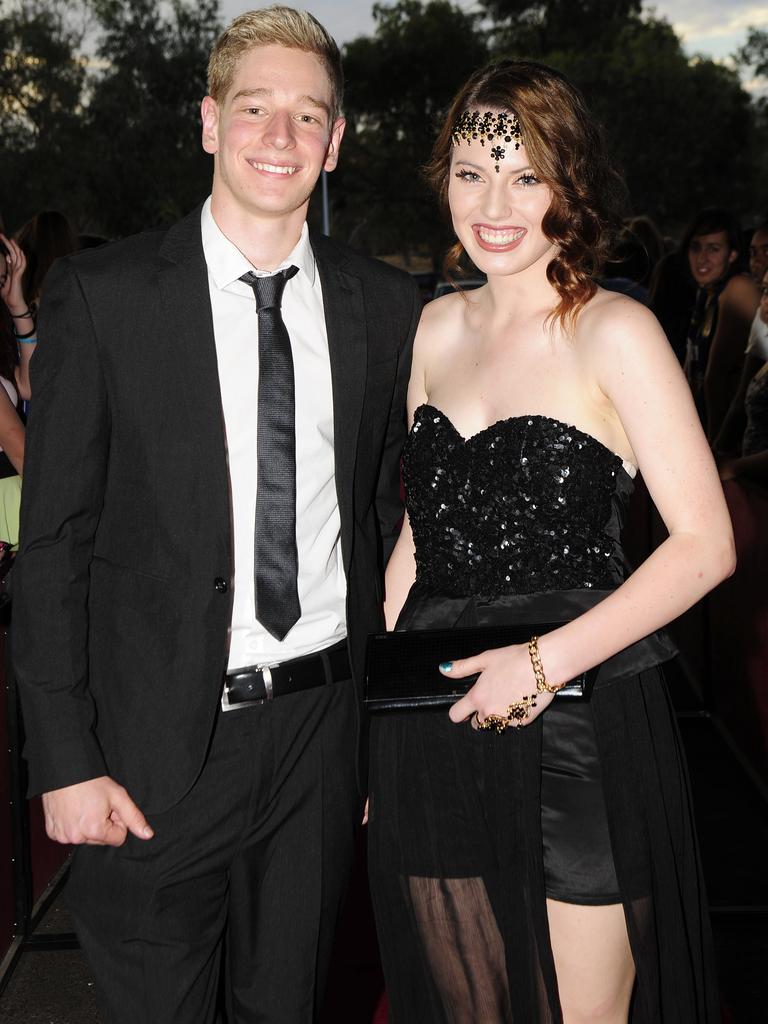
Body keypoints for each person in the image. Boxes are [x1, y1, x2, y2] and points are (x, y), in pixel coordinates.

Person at [12, 7, 420, 1023]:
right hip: (152, 748)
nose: (278, 138)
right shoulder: (103, 298)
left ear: (336, 140)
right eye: (253, 109)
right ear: (207, 122)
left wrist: (371, 745)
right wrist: (64, 758)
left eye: (306, 115)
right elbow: (52, 543)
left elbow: (373, 517)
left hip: (319, 736)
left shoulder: (386, 305)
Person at [367, 60, 732, 1023]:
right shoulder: (432, 331)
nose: (494, 203)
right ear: (442, 177)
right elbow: (418, 538)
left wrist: (543, 664)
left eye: (526, 175)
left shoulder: (618, 330)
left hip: (579, 716)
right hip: (433, 721)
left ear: (568, 185)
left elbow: (705, 543)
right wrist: (370, 725)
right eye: (472, 172)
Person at [681, 208, 759, 438]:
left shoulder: (737, 289)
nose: (702, 257)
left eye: (713, 249)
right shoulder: (706, 294)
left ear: (732, 255)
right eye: (696, 247)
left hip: (734, 434)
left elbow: (716, 378)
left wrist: (716, 444)